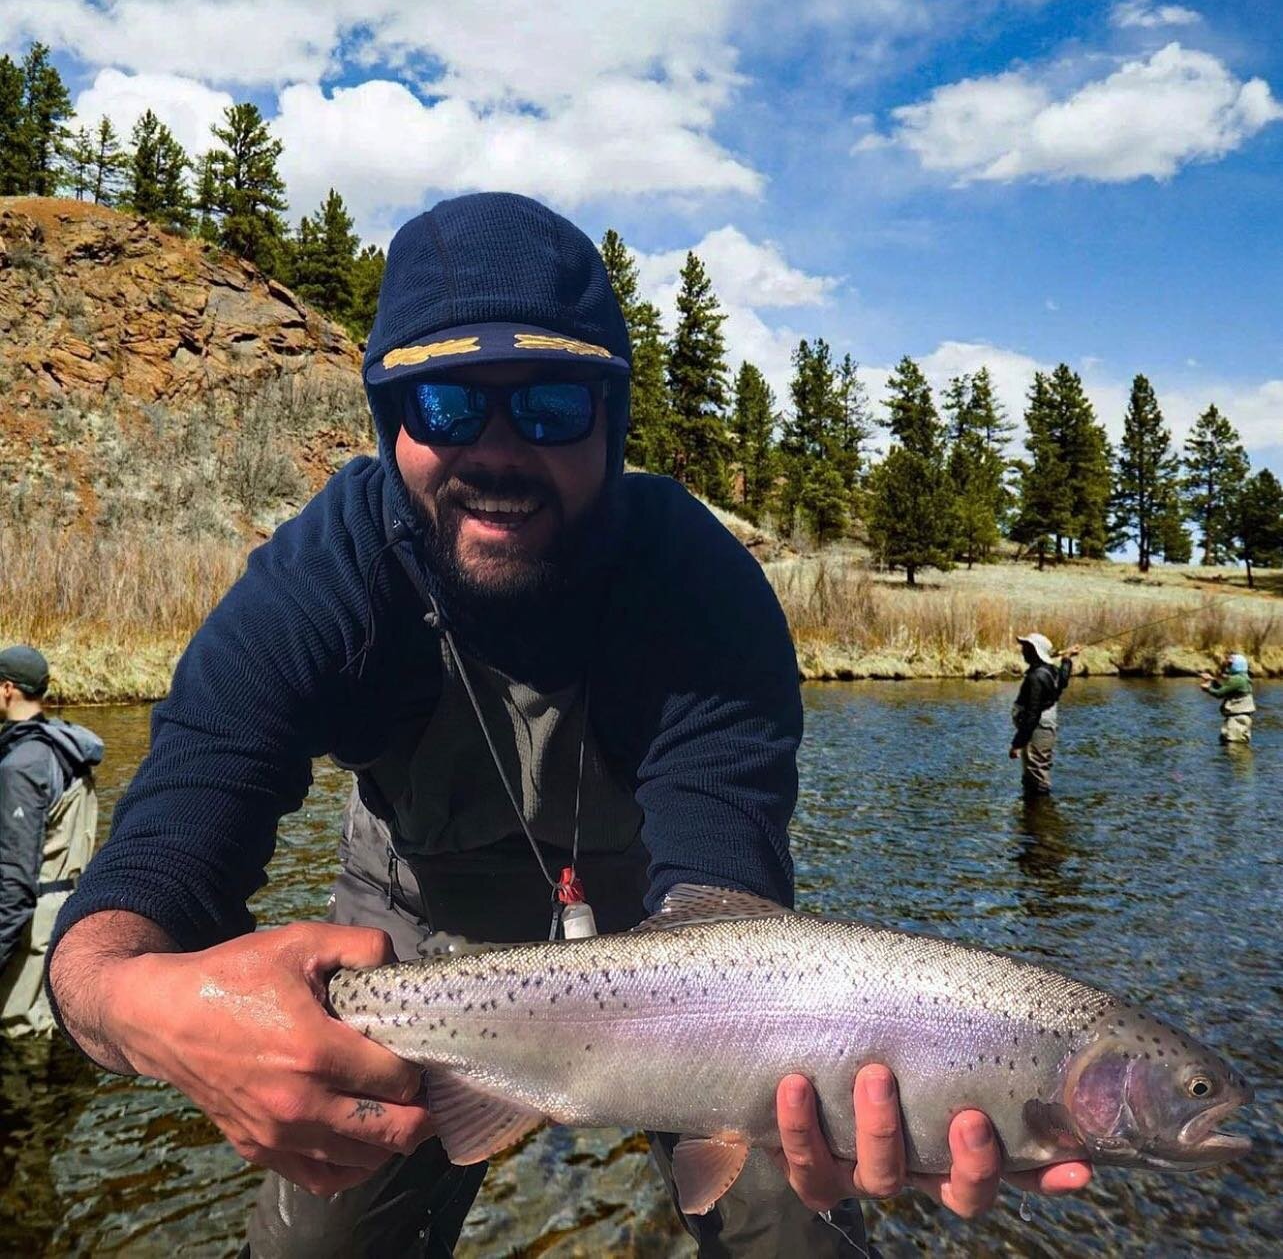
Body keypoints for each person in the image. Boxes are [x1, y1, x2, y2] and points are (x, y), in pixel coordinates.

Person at [46, 193, 1088, 1257]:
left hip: (680, 957)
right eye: (445, 404)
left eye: (549, 405)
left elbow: (728, 886)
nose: (497, 452)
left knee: (800, 1218)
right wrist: (144, 1010)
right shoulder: (318, 584)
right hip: (411, 936)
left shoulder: (699, 589)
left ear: (611, 420)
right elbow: (138, 893)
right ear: (388, 420)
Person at [0, 645, 102, 1036]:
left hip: (33, 925)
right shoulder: (67, 747)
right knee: (59, 1029)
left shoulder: (21, 765)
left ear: (8, 688)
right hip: (71, 910)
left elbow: (15, 880)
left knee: (23, 1035)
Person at [1009, 633, 1081, 796]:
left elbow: (1032, 714)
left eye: (1027, 648)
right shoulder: (1050, 670)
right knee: (1035, 770)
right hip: (1043, 725)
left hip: (1038, 727)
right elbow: (1062, 681)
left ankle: (1039, 812)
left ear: (1035, 651)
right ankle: (1034, 812)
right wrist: (1067, 659)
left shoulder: (1036, 676)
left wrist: (1017, 743)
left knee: (1036, 773)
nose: (1023, 651)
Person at [1199, 653, 1256, 744]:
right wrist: (1212, 680)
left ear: (1238, 665)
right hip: (1238, 720)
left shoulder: (1237, 680)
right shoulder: (1242, 678)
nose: (1228, 666)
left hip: (1237, 721)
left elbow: (1219, 694)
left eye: (1230, 664)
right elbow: (1225, 691)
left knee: (1233, 749)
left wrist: (1207, 689)